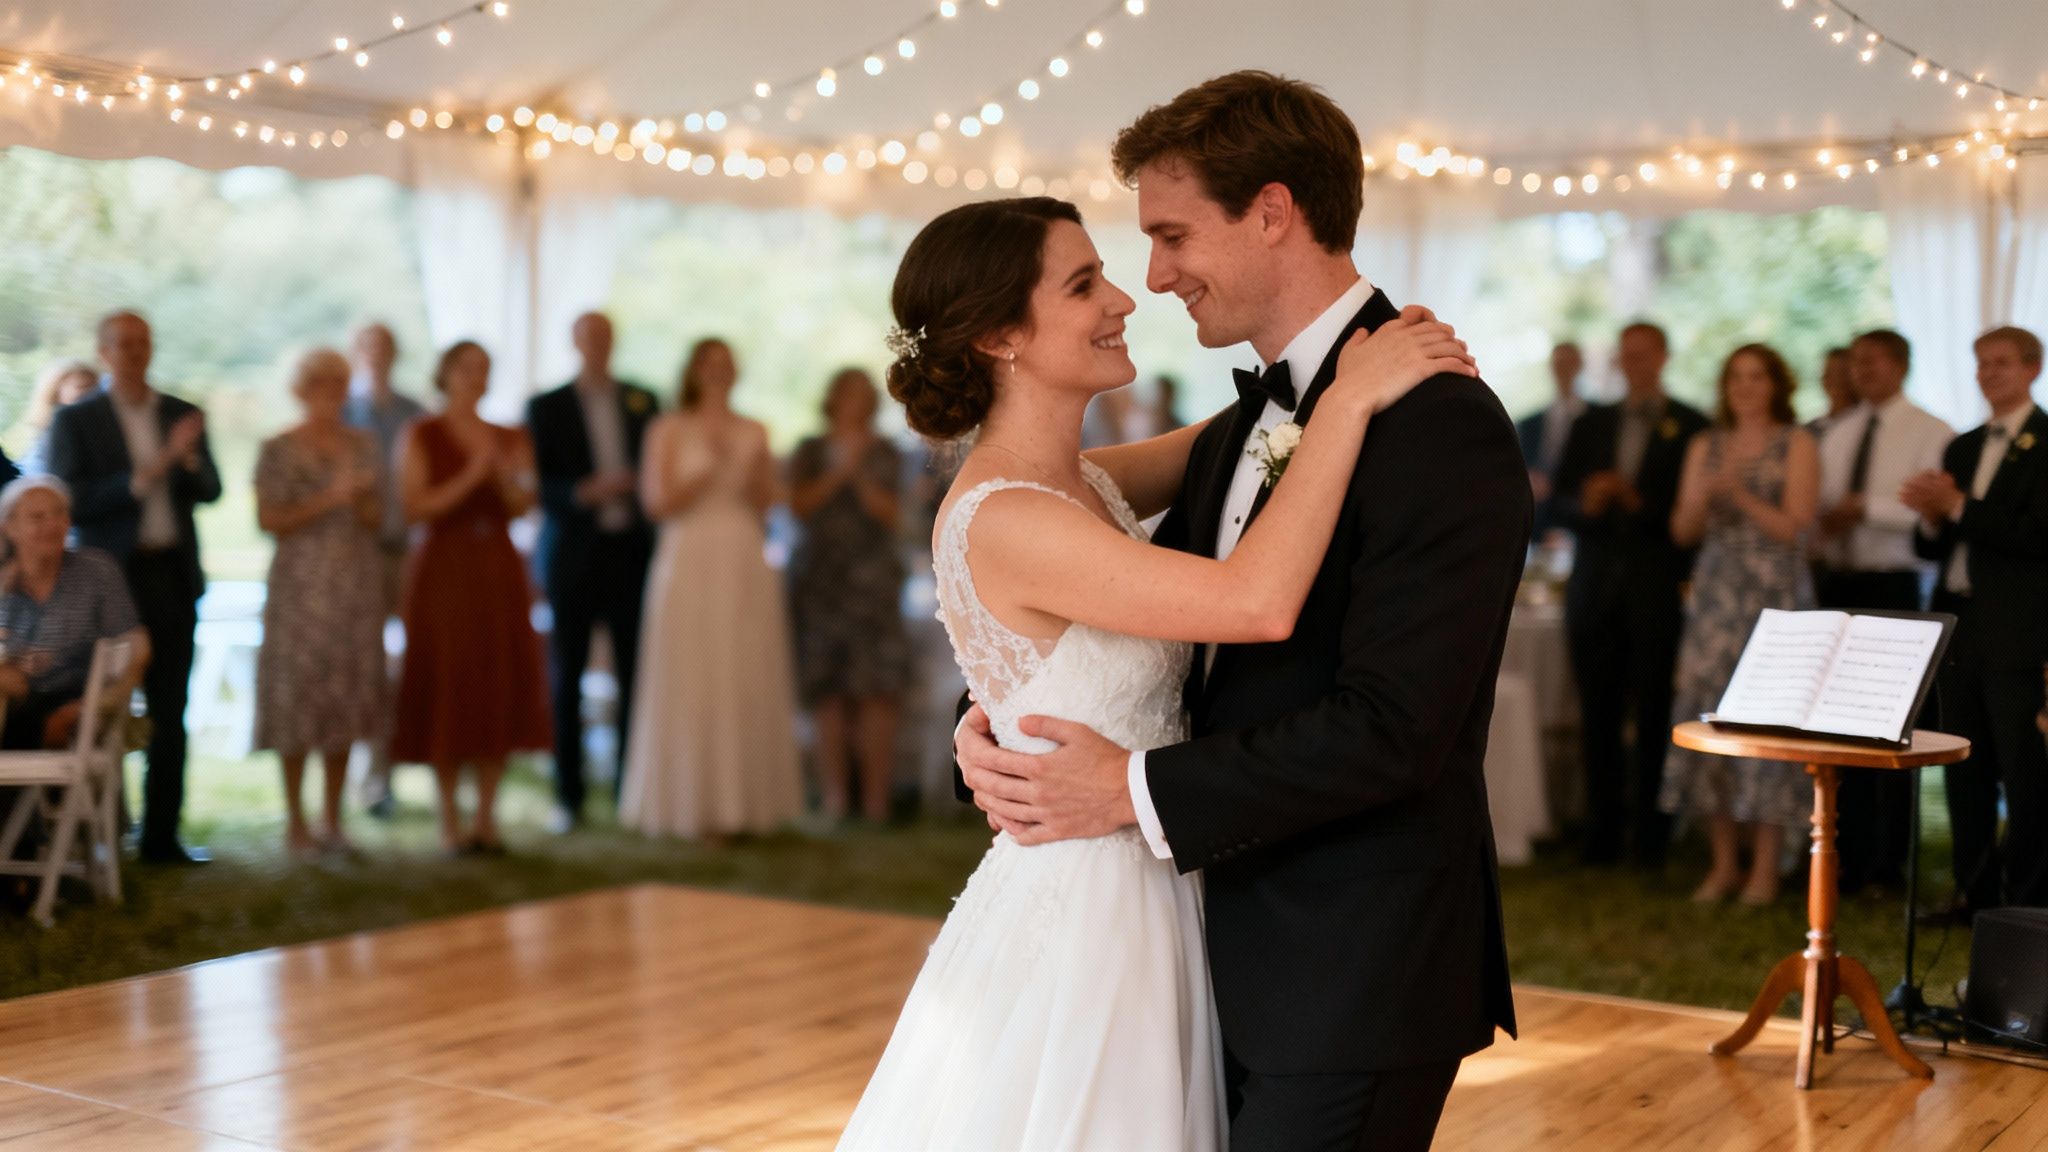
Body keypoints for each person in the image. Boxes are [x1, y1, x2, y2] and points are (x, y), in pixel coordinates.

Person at [902, 71, 1524, 1152]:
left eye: (1171, 235)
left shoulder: (1430, 422)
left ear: (1271, 212)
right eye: (1098, 272)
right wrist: (1001, 709)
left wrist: (1118, 779)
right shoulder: (1246, 427)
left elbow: (1396, 728)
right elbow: (1059, 593)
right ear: (1000, 334)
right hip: (1191, 944)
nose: (1147, 280)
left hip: (1349, 966)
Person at [44, 310, 221, 865]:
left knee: (172, 709)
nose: (135, 352)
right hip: (110, 582)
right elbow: (71, 500)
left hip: (171, 574)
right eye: (123, 344)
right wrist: (145, 474)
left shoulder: (180, 412)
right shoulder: (77, 420)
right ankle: (102, 830)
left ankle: (161, 837)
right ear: (103, 352)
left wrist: (186, 459)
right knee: (103, 707)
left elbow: (210, 489)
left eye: (143, 342)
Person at [620, 339, 802, 839]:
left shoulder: (755, 429)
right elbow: (655, 504)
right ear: (694, 370)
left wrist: (742, 477)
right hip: (689, 554)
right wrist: (701, 477)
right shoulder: (668, 429)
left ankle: (744, 804)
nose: (719, 371)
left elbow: (767, 500)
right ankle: (690, 804)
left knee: (742, 667)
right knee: (692, 668)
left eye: (727, 362)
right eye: (710, 363)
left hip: (741, 554)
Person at [1661, 345, 1819, 905]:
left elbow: (1798, 529)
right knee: (1710, 718)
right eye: (1736, 378)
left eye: (1757, 377)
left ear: (1777, 384)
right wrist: (1704, 499)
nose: (1746, 387)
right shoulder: (1704, 444)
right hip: (1716, 597)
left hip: (1774, 599)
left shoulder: (1796, 443)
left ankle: (1765, 869)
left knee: (1770, 726)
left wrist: (1742, 497)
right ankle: (1723, 862)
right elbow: (1681, 531)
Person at [1552, 322, 1709, 868]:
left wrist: (1636, 501)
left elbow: (1692, 522)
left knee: (1654, 714)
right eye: (1627, 355)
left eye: (1645, 354)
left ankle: (1652, 836)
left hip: (1654, 590)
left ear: (1663, 357)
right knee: (1597, 714)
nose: (1636, 363)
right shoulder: (1590, 421)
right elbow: (1556, 505)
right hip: (1594, 588)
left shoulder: (1691, 425)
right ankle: (1600, 833)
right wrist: (1588, 504)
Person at [1904, 325, 2048, 914]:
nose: (1990, 374)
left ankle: (2029, 902)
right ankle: (1973, 893)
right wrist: (1932, 518)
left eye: (2002, 364)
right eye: (1982, 364)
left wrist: (1958, 507)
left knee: (2023, 772)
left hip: (2017, 630)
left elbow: (2036, 537)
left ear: (2032, 370)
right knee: (1962, 766)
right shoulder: (1962, 446)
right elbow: (1935, 546)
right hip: (1958, 625)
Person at [391, 341, 551, 855]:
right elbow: (416, 507)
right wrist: (471, 476)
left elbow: (525, 502)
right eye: (467, 369)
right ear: (446, 374)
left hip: (498, 568)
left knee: (498, 677)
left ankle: (487, 817)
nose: (476, 377)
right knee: (450, 680)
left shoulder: (511, 435)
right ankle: (448, 820)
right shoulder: (422, 433)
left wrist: (505, 482)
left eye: (484, 369)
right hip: (444, 568)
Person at [1813, 328, 1952, 892]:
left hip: (1896, 588)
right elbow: (1819, 507)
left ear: (1900, 365)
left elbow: (1924, 512)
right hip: (1837, 583)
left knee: (1889, 728)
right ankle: (1843, 855)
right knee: (1837, 730)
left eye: (1873, 361)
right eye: (1857, 362)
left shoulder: (1931, 430)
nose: (1862, 371)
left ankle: (1889, 863)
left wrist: (1861, 508)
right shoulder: (1836, 433)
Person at [528, 312, 659, 833]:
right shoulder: (547, 406)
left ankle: (631, 786)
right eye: (589, 338)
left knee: (634, 671)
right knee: (569, 673)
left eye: (606, 337)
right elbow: (540, 483)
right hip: (573, 554)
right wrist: (586, 491)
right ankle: (569, 793)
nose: (598, 346)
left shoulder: (643, 400)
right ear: (575, 343)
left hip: (629, 553)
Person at [254, 349, 386, 860]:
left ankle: (334, 819)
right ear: (301, 390)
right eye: (320, 384)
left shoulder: (365, 445)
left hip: (355, 584)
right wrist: (331, 496)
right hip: (300, 589)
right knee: (298, 696)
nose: (330, 393)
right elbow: (270, 520)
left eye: (339, 383)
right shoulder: (278, 449)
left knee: (345, 697)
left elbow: (378, 519)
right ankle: (296, 822)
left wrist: (365, 498)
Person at [787, 368, 911, 822]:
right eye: (849, 393)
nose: (857, 401)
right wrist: (838, 471)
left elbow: (896, 514)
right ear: (833, 398)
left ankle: (876, 798)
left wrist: (859, 475)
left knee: (878, 688)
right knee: (828, 691)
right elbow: (797, 507)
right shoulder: (808, 450)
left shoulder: (887, 452)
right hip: (821, 582)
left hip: (873, 583)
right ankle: (836, 796)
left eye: (865, 394)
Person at [0, 477, 151, 753]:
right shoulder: (4, 584)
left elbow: (137, 647)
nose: (51, 525)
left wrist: (91, 707)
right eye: (37, 517)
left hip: (79, 704)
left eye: (59, 514)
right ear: (9, 527)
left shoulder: (96, 572)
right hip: (13, 706)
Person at [342, 322, 426, 819]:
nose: (377, 357)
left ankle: (392, 768)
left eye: (385, 348)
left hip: (409, 550)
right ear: (358, 354)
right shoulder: (343, 413)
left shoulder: (414, 413)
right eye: (369, 348)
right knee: (367, 664)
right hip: (360, 555)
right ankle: (368, 775)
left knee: (410, 662)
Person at [1517, 340, 1587, 536]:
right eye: (1558, 363)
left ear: (1579, 365)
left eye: (1569, 363)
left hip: (1580, 521)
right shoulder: (1529, 423)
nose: (1563, 369)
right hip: (1538, 521)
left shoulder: (1598, 419)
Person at [9, 360, 98, 468]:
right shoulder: (50, 437)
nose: (93, 394)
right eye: (82, 387)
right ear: (55, 392)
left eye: (95, 387)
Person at [1808, 346, 1855, 437]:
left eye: (1841, 373)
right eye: (1829, 373)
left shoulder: (1864, 424)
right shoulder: (1809, 430)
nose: (1836, 380)